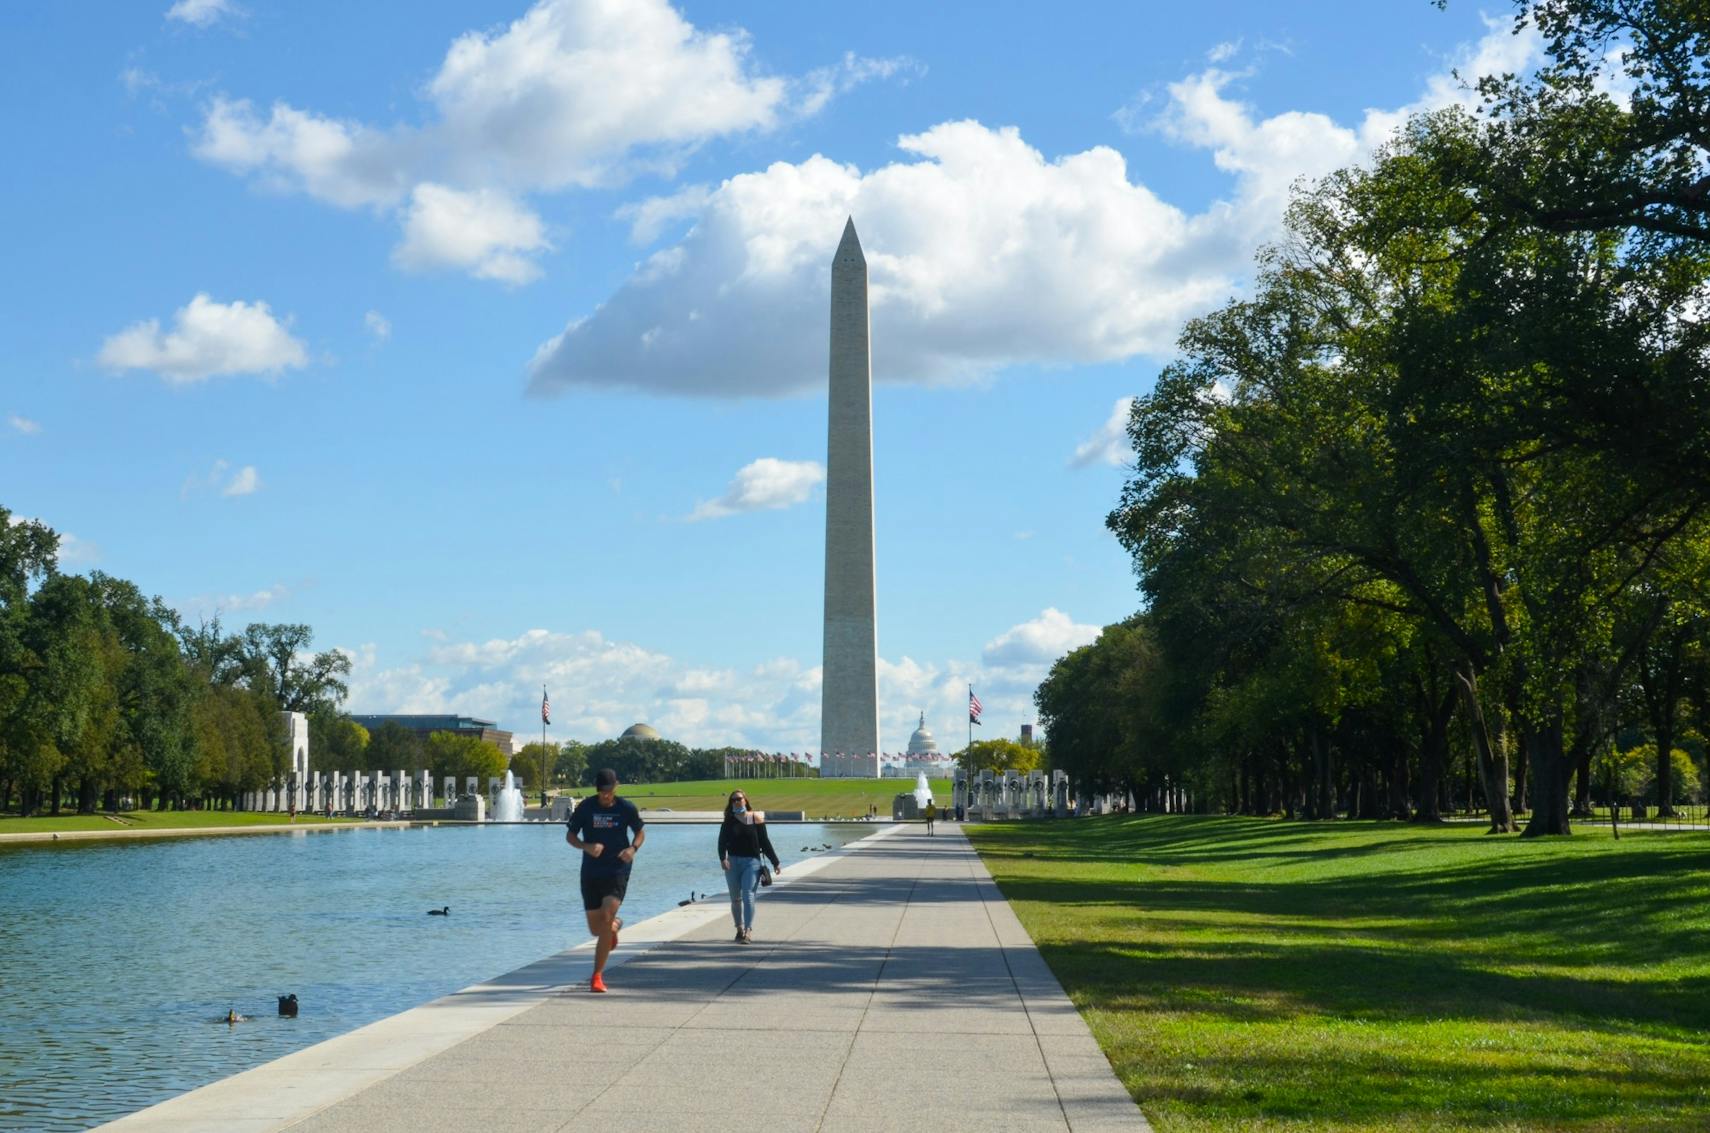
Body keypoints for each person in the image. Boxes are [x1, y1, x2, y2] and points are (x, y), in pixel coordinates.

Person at [566, 768, 645, 992]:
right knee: (596, 929)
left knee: (607, 915)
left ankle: (597, 976)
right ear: (597, 790)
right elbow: (570, 836)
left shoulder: (626, 808)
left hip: (617, 869)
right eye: (602, 793)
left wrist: (633, 848)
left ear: (616, 787)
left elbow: (640, 831)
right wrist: (585, 846)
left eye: (609, 792)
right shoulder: (586, 807)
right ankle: (614, 927)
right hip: (591, 871)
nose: (606, 796)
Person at [718, 789, 780, 943]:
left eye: (739, 799)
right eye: (733, 800)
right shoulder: (728, 822)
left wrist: (775, 862)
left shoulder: (755, 818)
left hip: (752, 863)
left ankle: (748, 931)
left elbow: (765, 842)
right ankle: (739, 928)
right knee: (735, 899)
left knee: (748, 895)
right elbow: (721, 843)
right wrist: (722, 859)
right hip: (732, 862)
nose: (737, 802)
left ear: (745, 800)